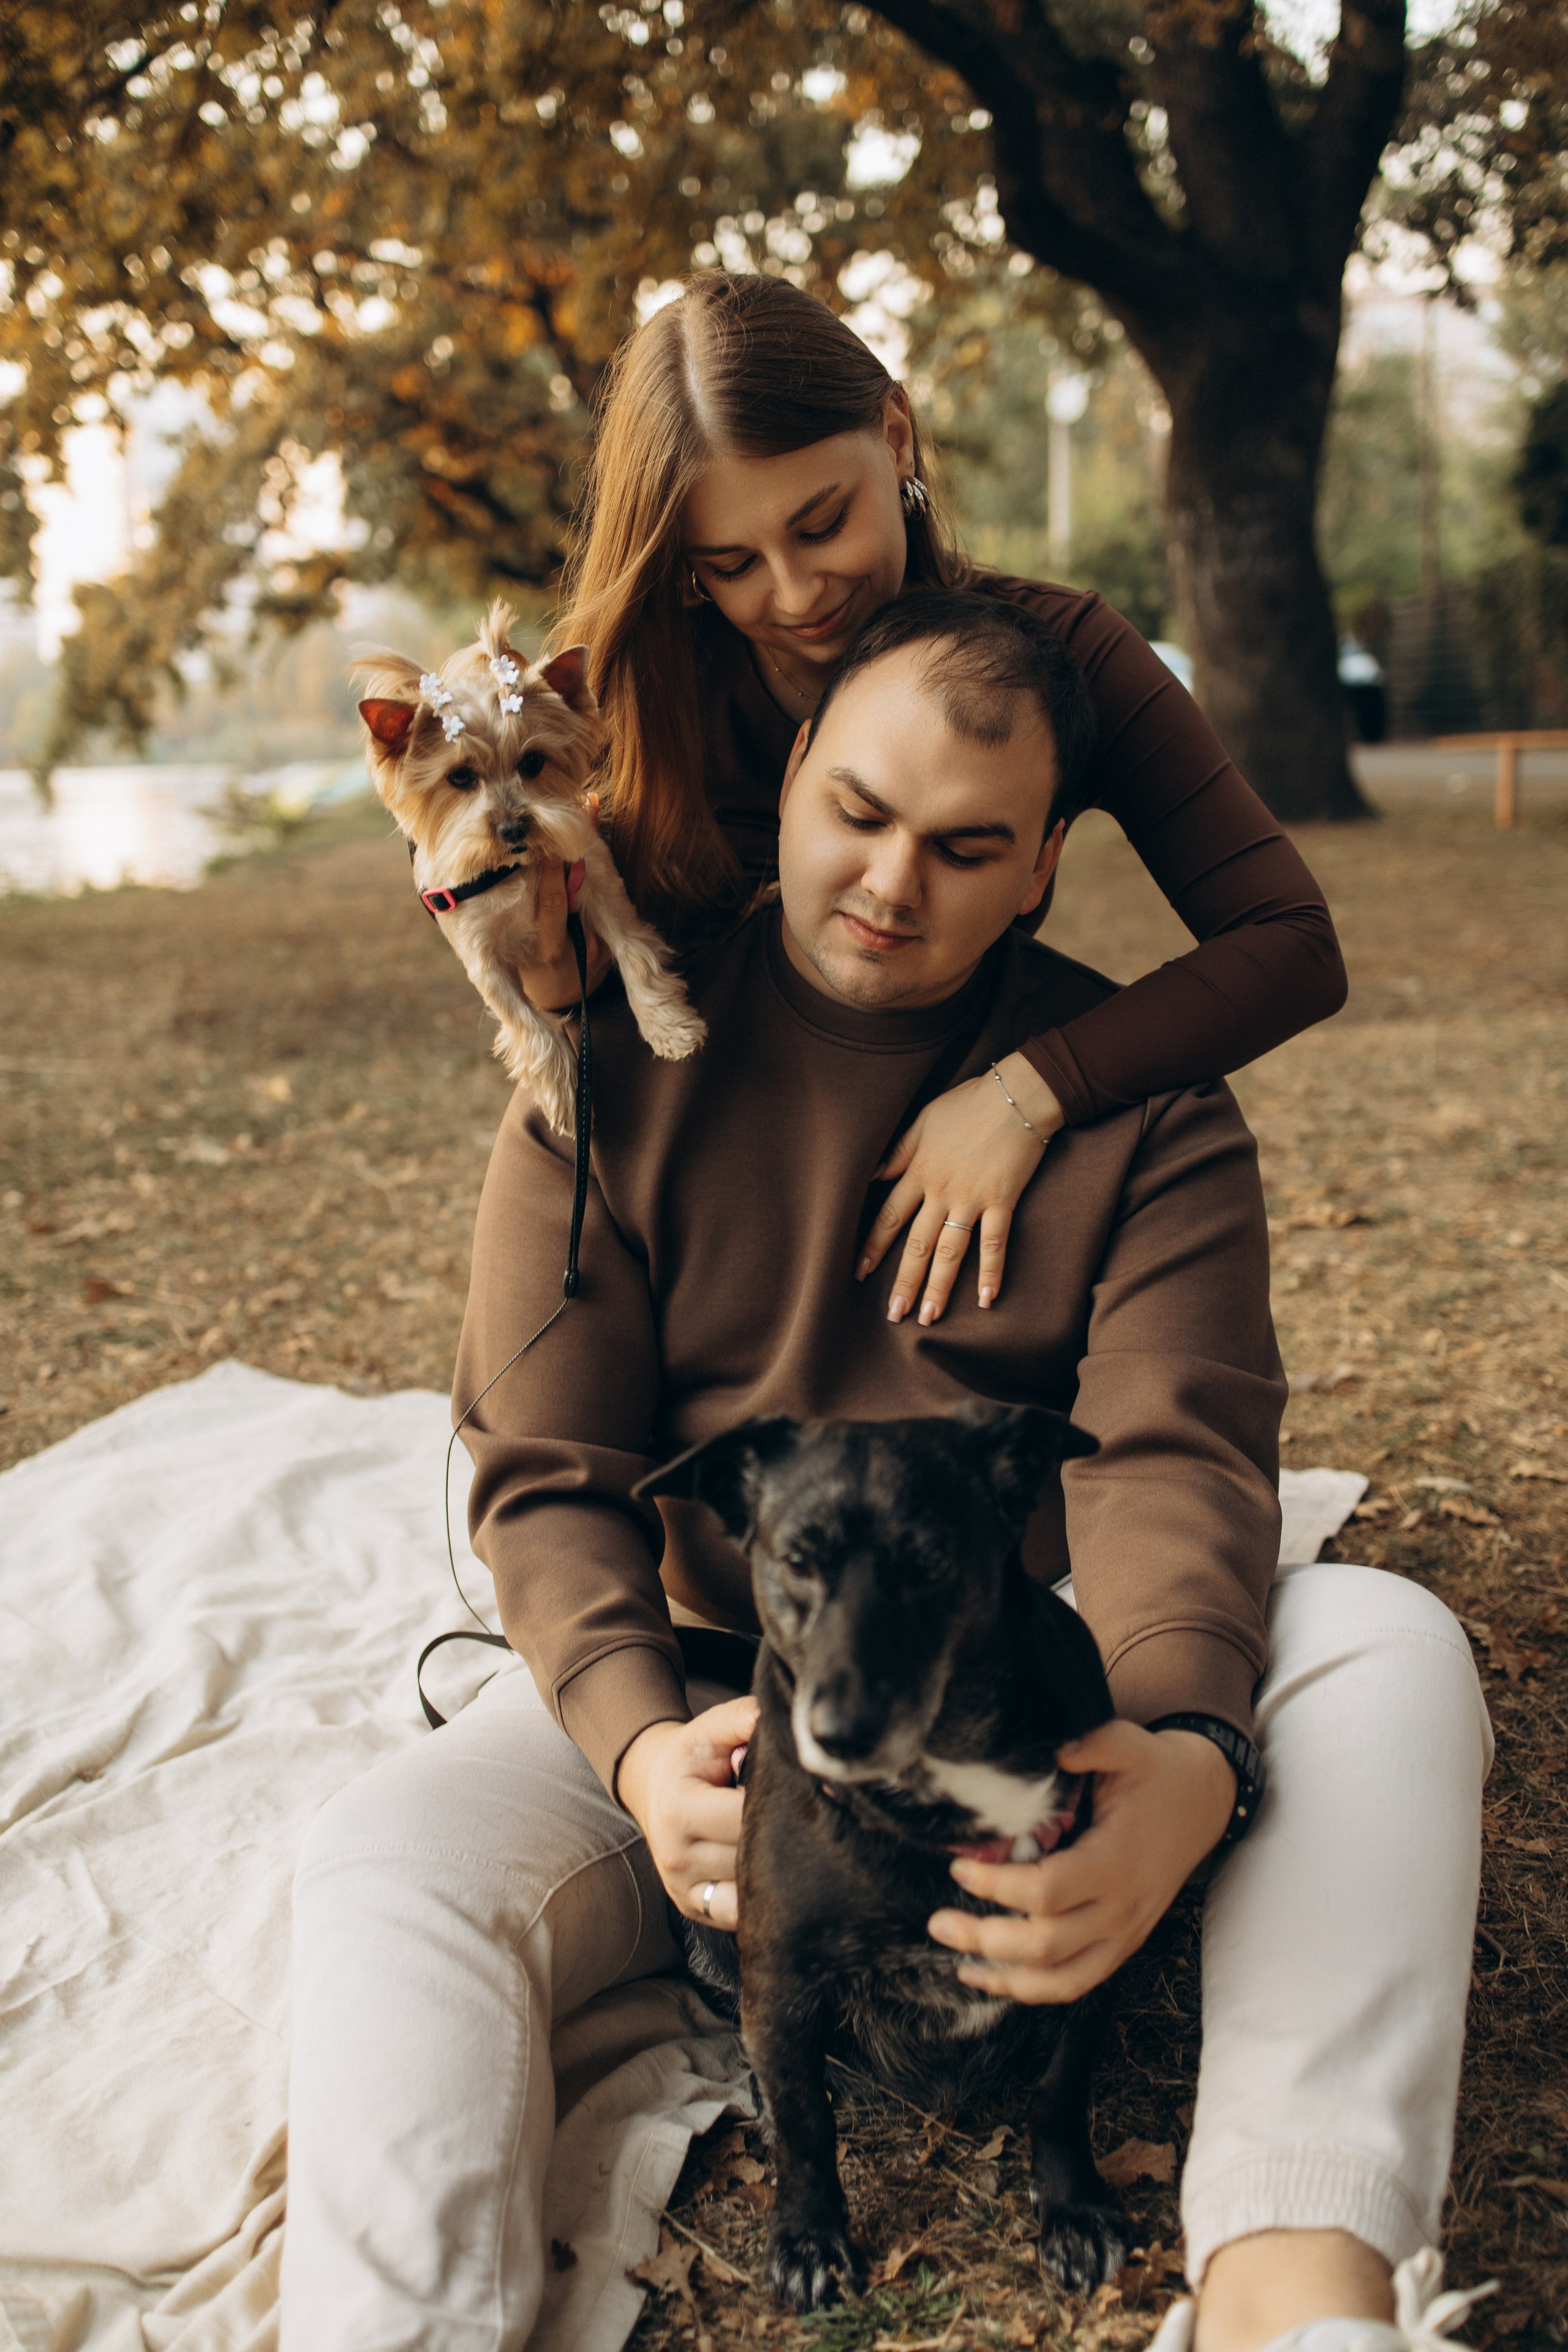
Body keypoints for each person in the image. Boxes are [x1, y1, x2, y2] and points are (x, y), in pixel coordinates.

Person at [280, 593, 1490, 2352]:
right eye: (856, 812)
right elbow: (544, 1467)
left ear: (1042, 870)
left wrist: (1178, 1753)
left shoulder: (1150, 1112)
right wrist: (628, 1735)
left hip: (1036, 1683)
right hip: (725, 1694)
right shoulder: (604, 1052)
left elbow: (1174, 1450)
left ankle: (1298, 2296)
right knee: (388, 1852)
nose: (892, 883)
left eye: (966, 845)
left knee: (1393, 1645)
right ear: (787, 789)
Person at [511, 270, 1348, 1330]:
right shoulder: (646, 690)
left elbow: (1291, 942)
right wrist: (540, 959)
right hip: (717, 1191)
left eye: (823, 523)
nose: (797, 593)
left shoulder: (1064, 658)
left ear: (895, 437)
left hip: (969, 1173)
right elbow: (601, 992)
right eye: (730, 564)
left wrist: (1029, 1092)